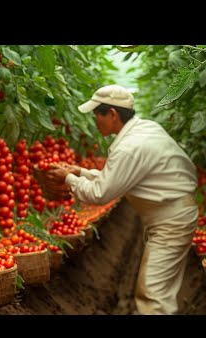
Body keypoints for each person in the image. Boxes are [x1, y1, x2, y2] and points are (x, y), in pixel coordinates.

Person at [45, 84, 198, 315]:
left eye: (98, 113)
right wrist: (80, 172)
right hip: (172, 215)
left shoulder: (129, 147)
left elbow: (100, 194)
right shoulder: (145, 130)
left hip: (171, 222)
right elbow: (116, 179)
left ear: (113, 114)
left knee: (153, 297)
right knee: (160, 292)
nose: (95, 120)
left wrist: (67, 178)